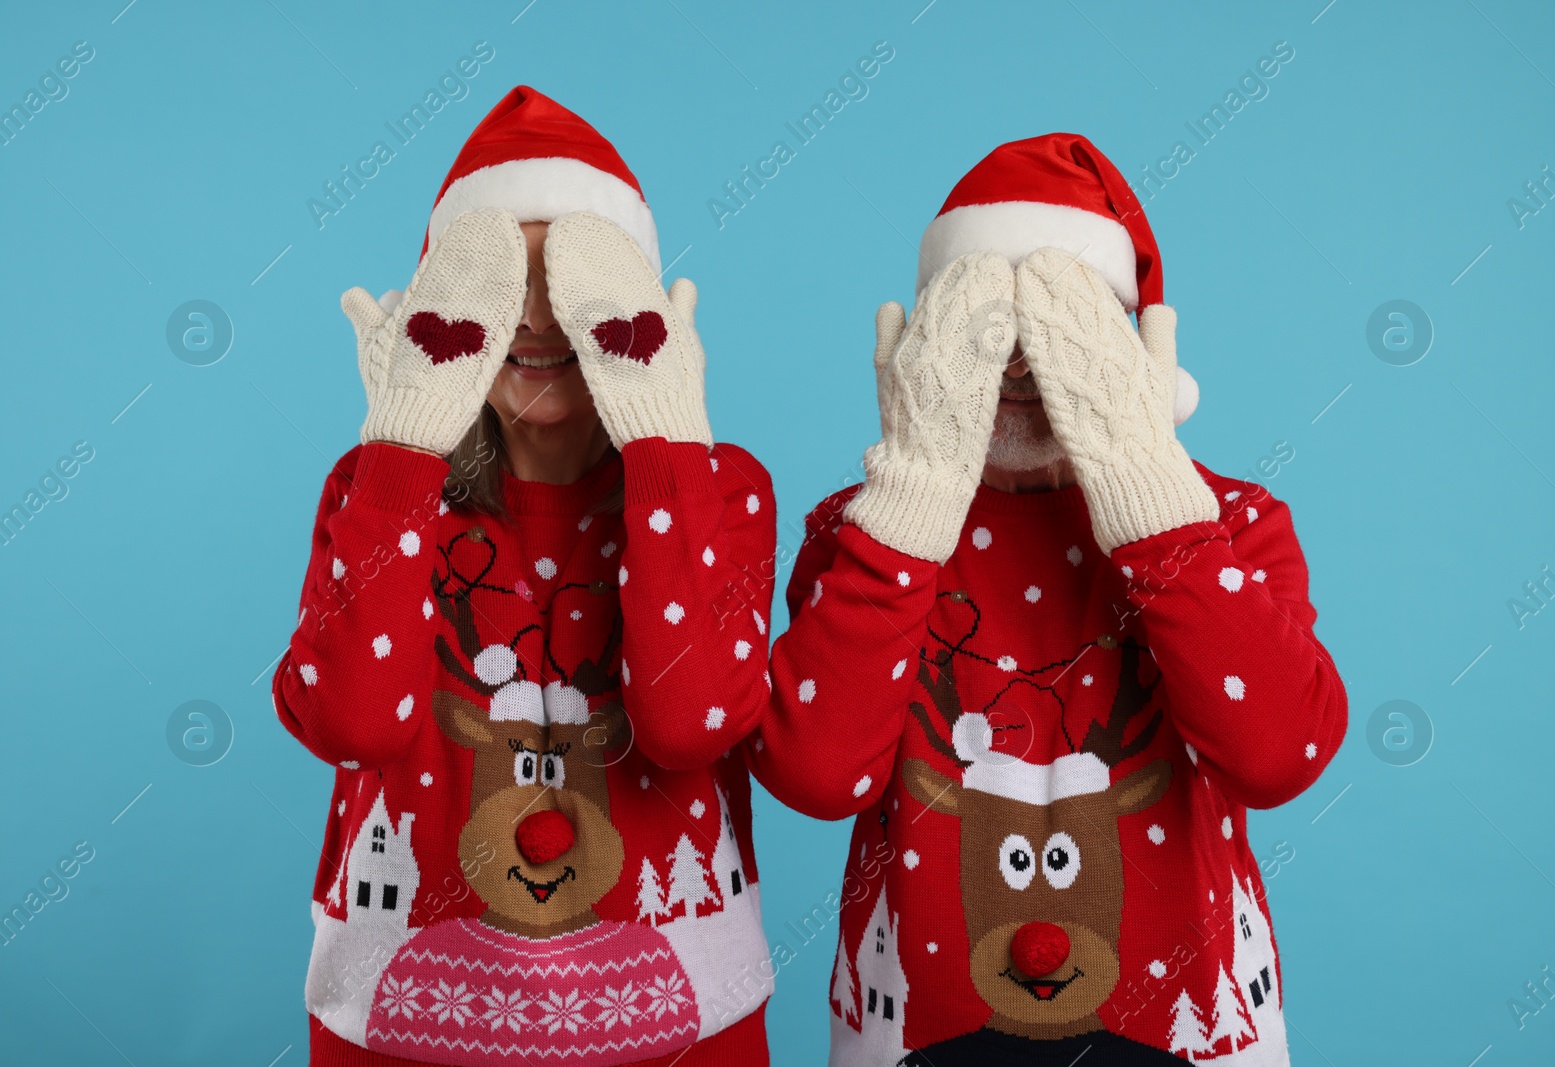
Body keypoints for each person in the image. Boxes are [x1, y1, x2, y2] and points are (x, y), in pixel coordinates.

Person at [750, 134, 1348, 1065]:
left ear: (1141, 348)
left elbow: (1281, 754)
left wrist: (1146, 484)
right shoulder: (861, 530)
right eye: (987, 323)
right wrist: (912, 494)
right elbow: (816, 775)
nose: (1024, 364)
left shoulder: (1228, 522)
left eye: (1068, 328)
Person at [273, 87, 776, 1067]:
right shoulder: (374, 485)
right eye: (501, 282)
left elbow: (690, 723)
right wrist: (404, 446)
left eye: (576, 284)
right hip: (400, 1026)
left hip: (676, 1026)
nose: (539, 318)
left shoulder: (721, 488)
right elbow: (350, 721)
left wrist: (665, 440)